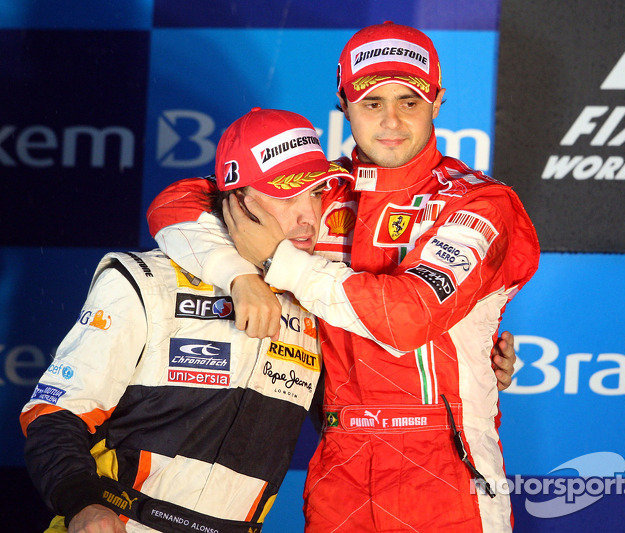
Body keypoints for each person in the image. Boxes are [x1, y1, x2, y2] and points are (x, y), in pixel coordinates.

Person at [146, 22, 539, 532]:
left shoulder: (479, 202)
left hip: (445, 465)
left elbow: (409, 318)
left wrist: (280, 262)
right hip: (340, 464)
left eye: (410, 102)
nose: (391, 121)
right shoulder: (319, 192)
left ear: (437, 101)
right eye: (372, 103)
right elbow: (180, 202)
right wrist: (239, 275)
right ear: (343, 103)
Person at [19, 108, 355, 533]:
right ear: (238, 200)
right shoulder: (146, 280)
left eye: (319, 193)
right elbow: (54, 413)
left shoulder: (317, 304)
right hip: (119, 522)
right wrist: (84, 506)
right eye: (289, 197)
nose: (310, 216)